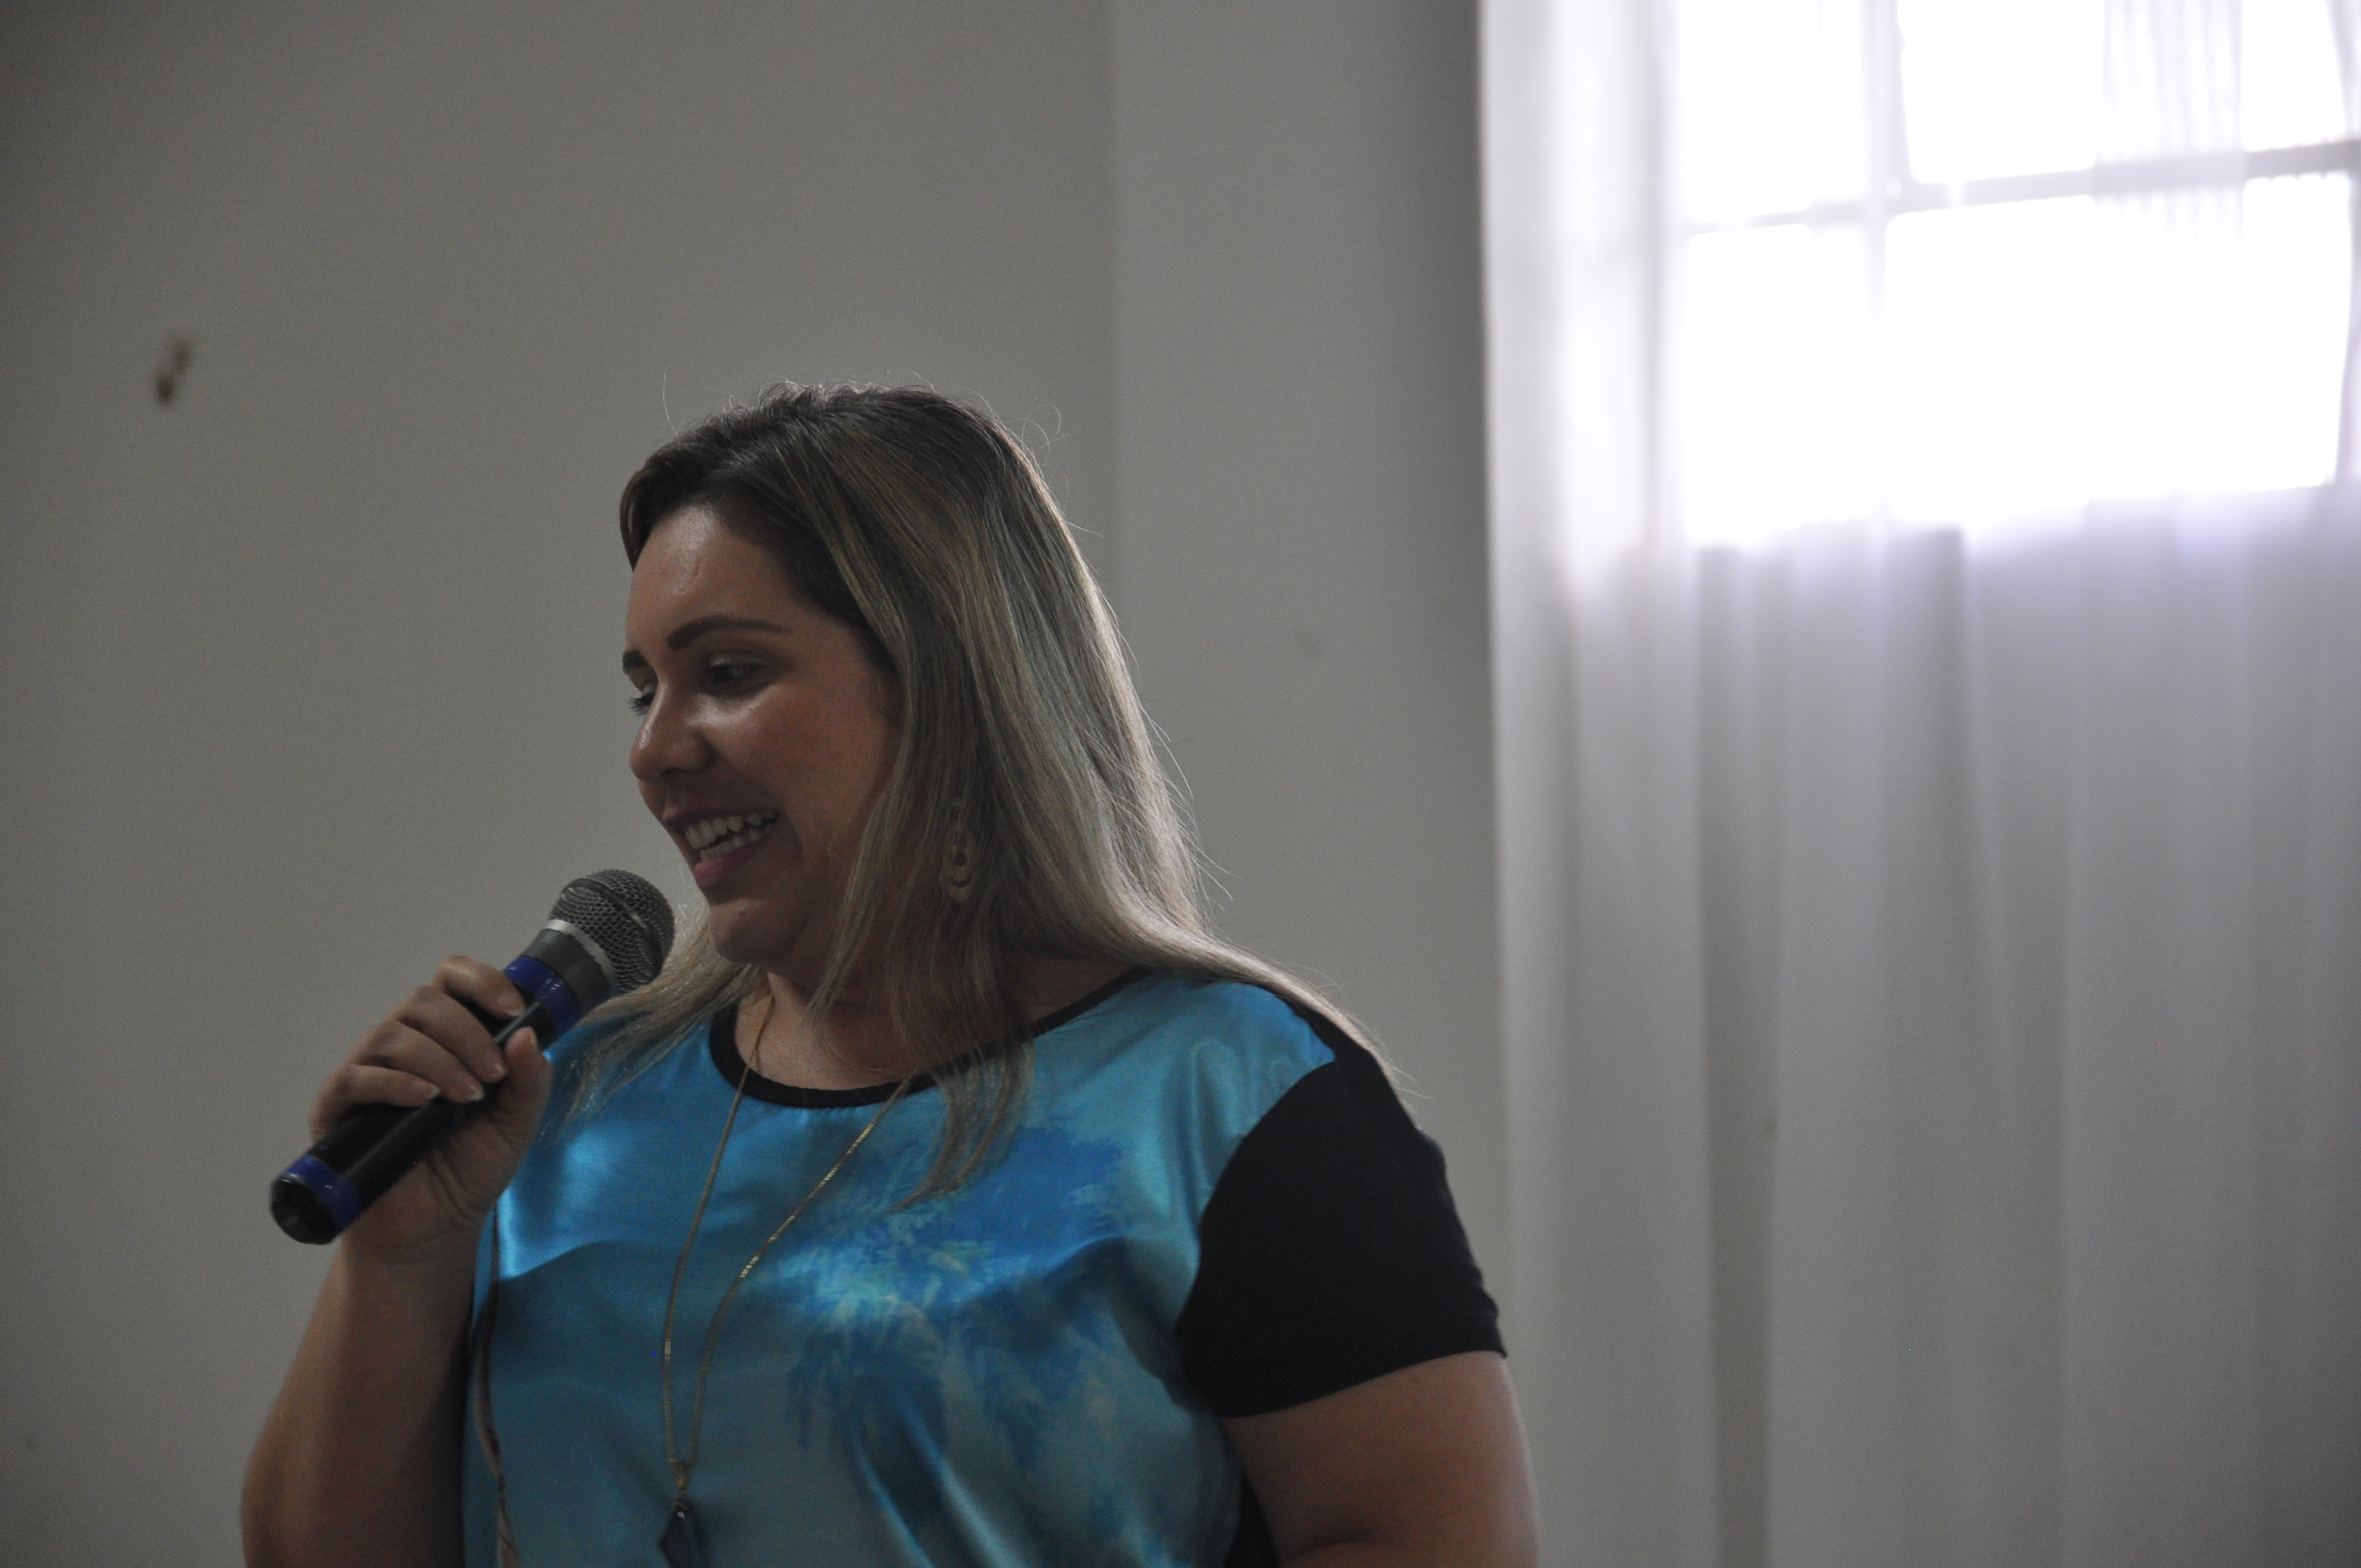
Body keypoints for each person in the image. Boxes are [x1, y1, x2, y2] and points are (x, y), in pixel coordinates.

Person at [242, 384, 1536, 1567]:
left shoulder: (1228, 1099)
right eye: (644, 691)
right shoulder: (559, 1101)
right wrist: (401, 1260)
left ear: (950, 689)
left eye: (728, 675)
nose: (656, 749)